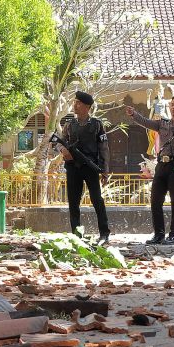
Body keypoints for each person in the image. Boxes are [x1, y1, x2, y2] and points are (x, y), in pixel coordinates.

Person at [126, 94, 174, 244]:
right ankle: (158, 234)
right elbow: (145, 122)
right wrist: (134, 114)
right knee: (155, 200)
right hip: (161, 166)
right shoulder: (162, 124)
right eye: (172, 104)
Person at [54, 91, 111, 245]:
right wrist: (63, 150)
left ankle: (104, 234)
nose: (75, 105)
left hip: (90, 166)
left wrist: (105, 170)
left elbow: (104, 148)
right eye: (75, 102)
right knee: (73, 202)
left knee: (97, 200)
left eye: (78, 103)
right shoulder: (69, 125)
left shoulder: (97, 125)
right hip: (73, 167)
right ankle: (76, 235)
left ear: (87, 107)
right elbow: (59, 141)